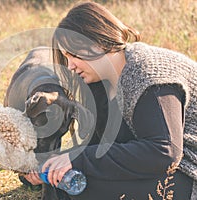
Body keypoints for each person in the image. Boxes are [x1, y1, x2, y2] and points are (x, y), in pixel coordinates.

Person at [23, 1, 197, 199]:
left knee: (83, 189)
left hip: (188, 169)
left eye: (73, 55)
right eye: (65, 57)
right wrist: (53, 163)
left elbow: (165, 153)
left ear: (96, 42)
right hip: (161, 165)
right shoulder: (100, 82)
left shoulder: (149, 75)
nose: (70, 66)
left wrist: (77, 159)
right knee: (66, 181)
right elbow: (103, 146)